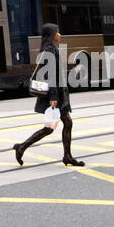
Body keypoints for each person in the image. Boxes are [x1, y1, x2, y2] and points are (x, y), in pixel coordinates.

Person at [12, 23, 85, 167]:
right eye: (57, 32)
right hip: (54, 95)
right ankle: (23, 147)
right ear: (52, 35)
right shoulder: (50, 51)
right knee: (57, 126)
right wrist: (53, 97)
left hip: (57, 94)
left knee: (56, 126)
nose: (60, 34)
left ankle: (65, 156)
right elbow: (50, 76)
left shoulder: (50, 49)